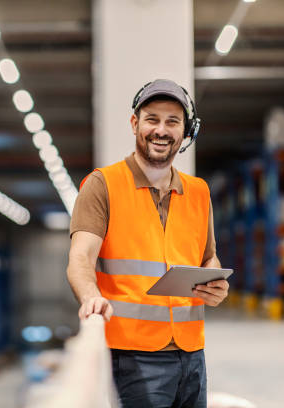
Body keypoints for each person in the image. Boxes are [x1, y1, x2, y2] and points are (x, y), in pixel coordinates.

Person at [66, 79, 229, 408]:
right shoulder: (103, 185)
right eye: (152, 119)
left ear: (186, 131)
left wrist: (215, 283)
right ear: (134, 123)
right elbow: (80, 258)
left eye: (173, 122)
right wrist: (90, 297)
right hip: (134, 358)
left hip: (192, 354)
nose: (162, 130)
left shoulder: (198, 192)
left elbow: (208, 258)